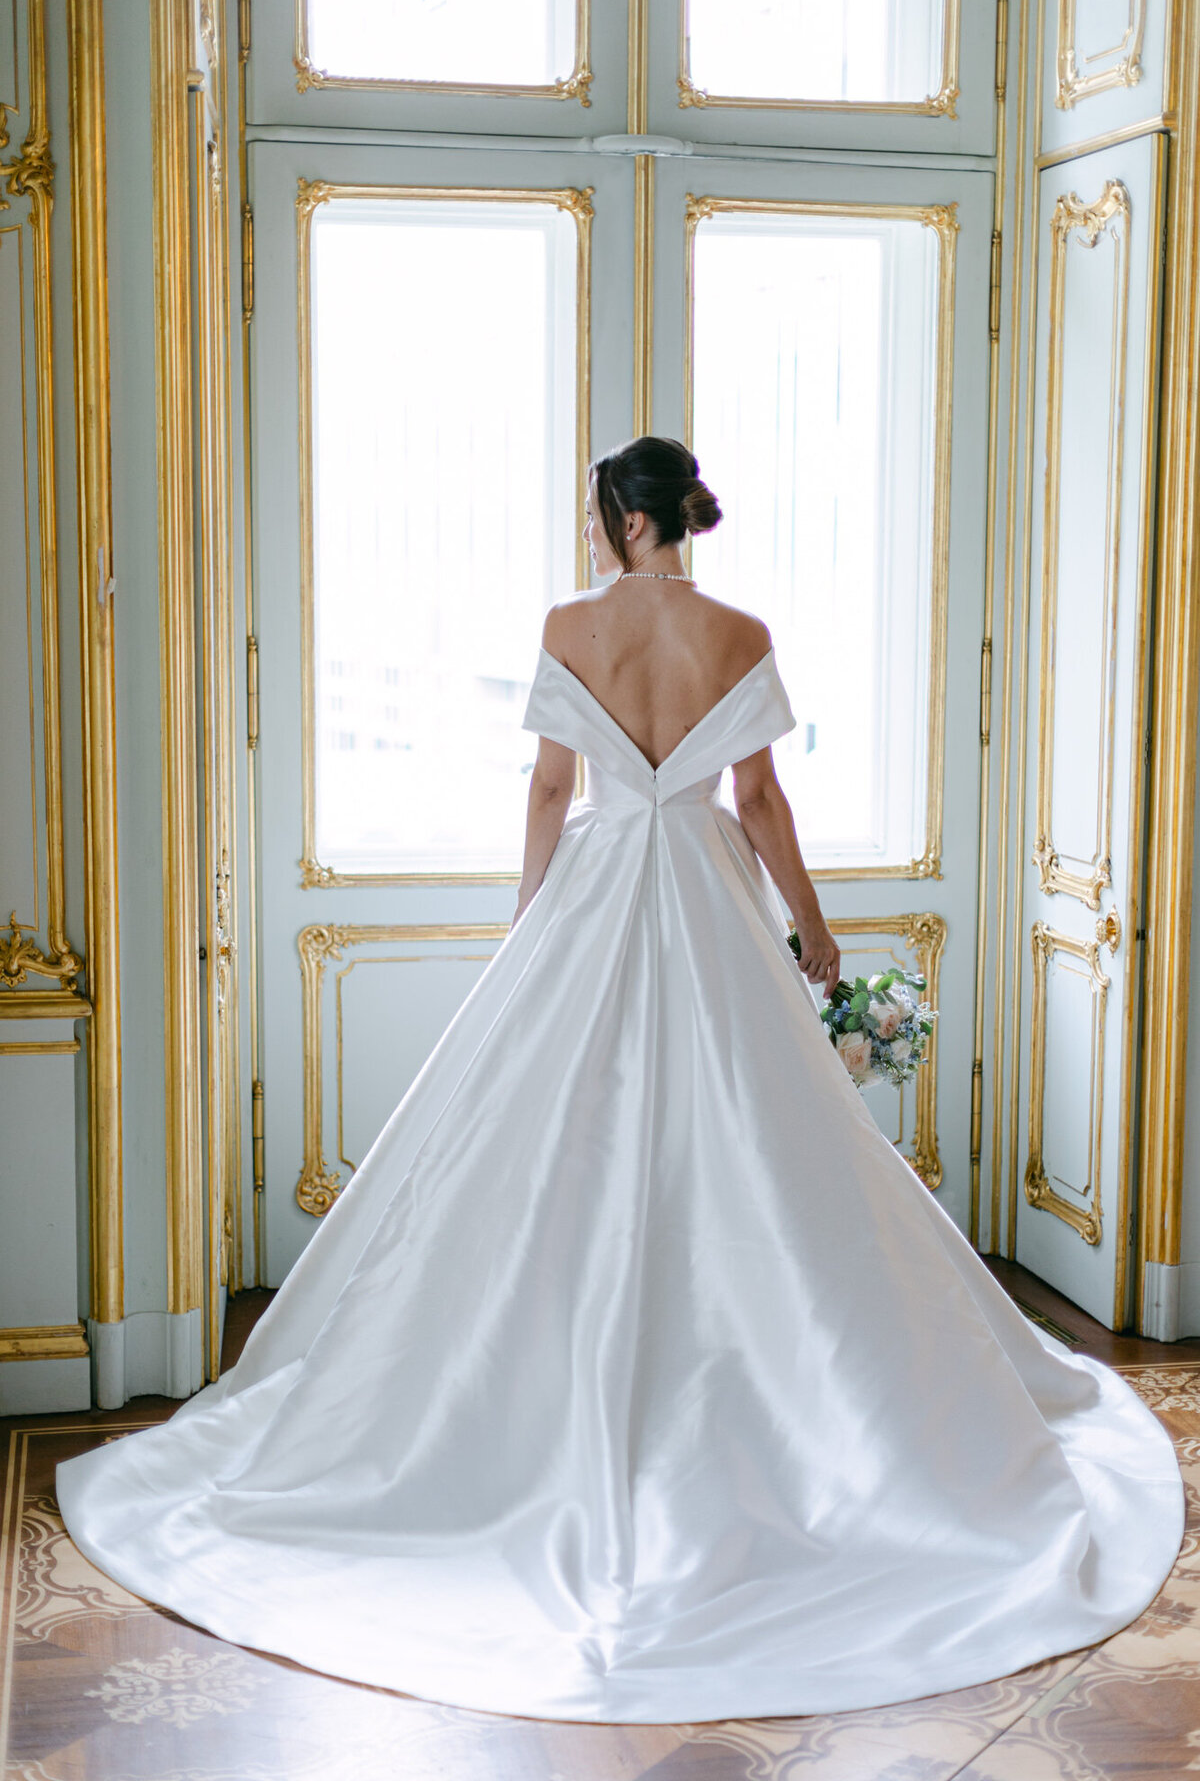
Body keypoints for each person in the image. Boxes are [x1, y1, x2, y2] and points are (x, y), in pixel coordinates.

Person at [55, 435, 1184, 1726]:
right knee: (767, 1147)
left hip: (596, 896)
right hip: (708, 899)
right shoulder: (741, 631)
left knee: (551, 1147)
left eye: (600, 514)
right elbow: (760, 803)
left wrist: (532, 922)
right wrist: (813, 929)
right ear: (682, 516)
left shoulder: (569, 625)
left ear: (622, 520)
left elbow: (551, 788)